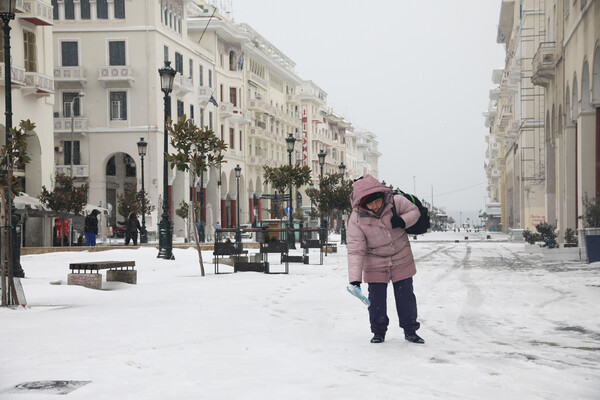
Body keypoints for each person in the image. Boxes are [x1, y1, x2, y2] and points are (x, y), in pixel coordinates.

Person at [347, 174, 425, 344]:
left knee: (406, 297)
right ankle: (378, 331)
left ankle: (410, 329)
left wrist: (403, 221)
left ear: (382, 195)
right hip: (374, 261)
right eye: (370, 202)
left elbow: (414, 211)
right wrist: (354, 280)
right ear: (362, 203)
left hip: (401, 257)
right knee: (376, 300)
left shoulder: (395, 202)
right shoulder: (356, 218)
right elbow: (355, 249)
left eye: (377, 200)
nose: (375, 205)